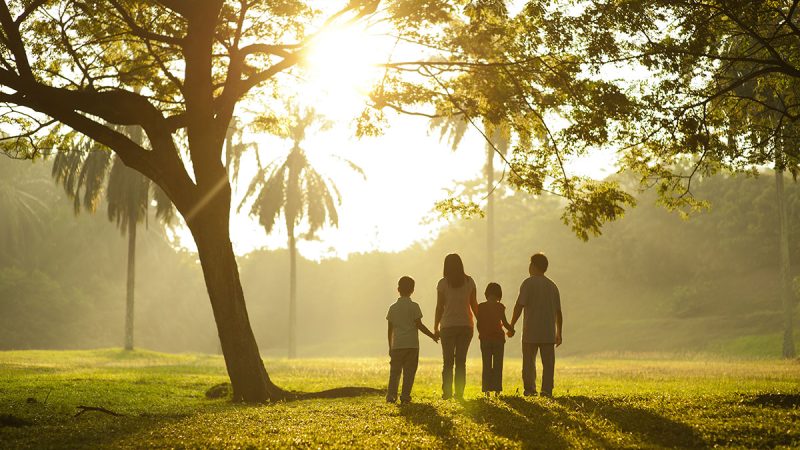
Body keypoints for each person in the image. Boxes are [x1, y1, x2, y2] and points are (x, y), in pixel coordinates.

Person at [509, 253, 563, 397]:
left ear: (533, 266)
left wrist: (512, 324)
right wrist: (559, 333)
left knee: (528, 364)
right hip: (548, 332)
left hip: (530, 331)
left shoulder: (527, 283)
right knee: (548, 364)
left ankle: (530, 389)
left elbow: (519, 306)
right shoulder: (552, 286)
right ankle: (546, 390)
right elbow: (558, 312)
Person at [386, 275, 438, 404]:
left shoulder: (392, 308)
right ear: (412, 290)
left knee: (395, 372)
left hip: (397, 345)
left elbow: (390, 330)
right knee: (409, 373)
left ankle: (391, 396)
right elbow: (419, 325)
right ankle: (405, 396)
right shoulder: (414, 306)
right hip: (412, 345)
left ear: (398, 289)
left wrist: (390, 346)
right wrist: (432, 335)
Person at [434, 253, 478, 400]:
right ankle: (459, 393)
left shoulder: (443, 283)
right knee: (461, 362)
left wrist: (435, 326)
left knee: (448, 362)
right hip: (466, 326)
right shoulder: (469, 281)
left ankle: (446, 393)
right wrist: (482, 322)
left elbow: (439, 307)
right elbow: (474, 305)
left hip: (447, 326)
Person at [476, 282, 514, 396]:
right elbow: (505, 323)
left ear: (487, 293)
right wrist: (512, 329)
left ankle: (486, 390)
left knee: (486, 365)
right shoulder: (500, 307)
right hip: (498, 340)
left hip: (485, 340)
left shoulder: (481, 306)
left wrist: (482, 333)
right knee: (498, 365)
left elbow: (479, 323)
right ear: (499, 294)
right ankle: (497, 390)